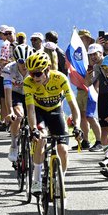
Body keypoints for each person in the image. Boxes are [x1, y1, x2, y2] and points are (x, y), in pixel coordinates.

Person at [24, 51, 82, 194]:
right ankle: (36, 180)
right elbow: (30, 109)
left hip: (56, 112)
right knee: (41, 139)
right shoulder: (28, 82)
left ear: (47, 69)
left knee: (63, 149)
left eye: (38, 74)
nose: (34, 77)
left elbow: (74, 106)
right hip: (39, 113)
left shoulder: (60, 78)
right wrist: (33, 129)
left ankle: (60, 180)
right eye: (32, 74)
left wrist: (77, 126)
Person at [2, 44, 33, 162]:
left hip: (30, 93)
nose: (24, 64)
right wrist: (10, 111)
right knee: (18, 115)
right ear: (16, 60)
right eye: (21, 61)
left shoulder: (34, 68)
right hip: (16, 94)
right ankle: (14, 144)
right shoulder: (9, 69)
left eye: (27, 61)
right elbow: (7, 92)